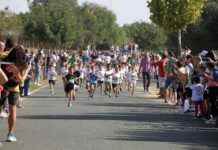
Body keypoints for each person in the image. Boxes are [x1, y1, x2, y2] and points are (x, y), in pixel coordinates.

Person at [0, 45, 31, 142]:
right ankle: (10, 134)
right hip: (14, 87)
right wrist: (28, 70)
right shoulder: (19, 65)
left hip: (3, 86)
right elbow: (21, 80)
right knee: (12, 110)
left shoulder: (5, 61)